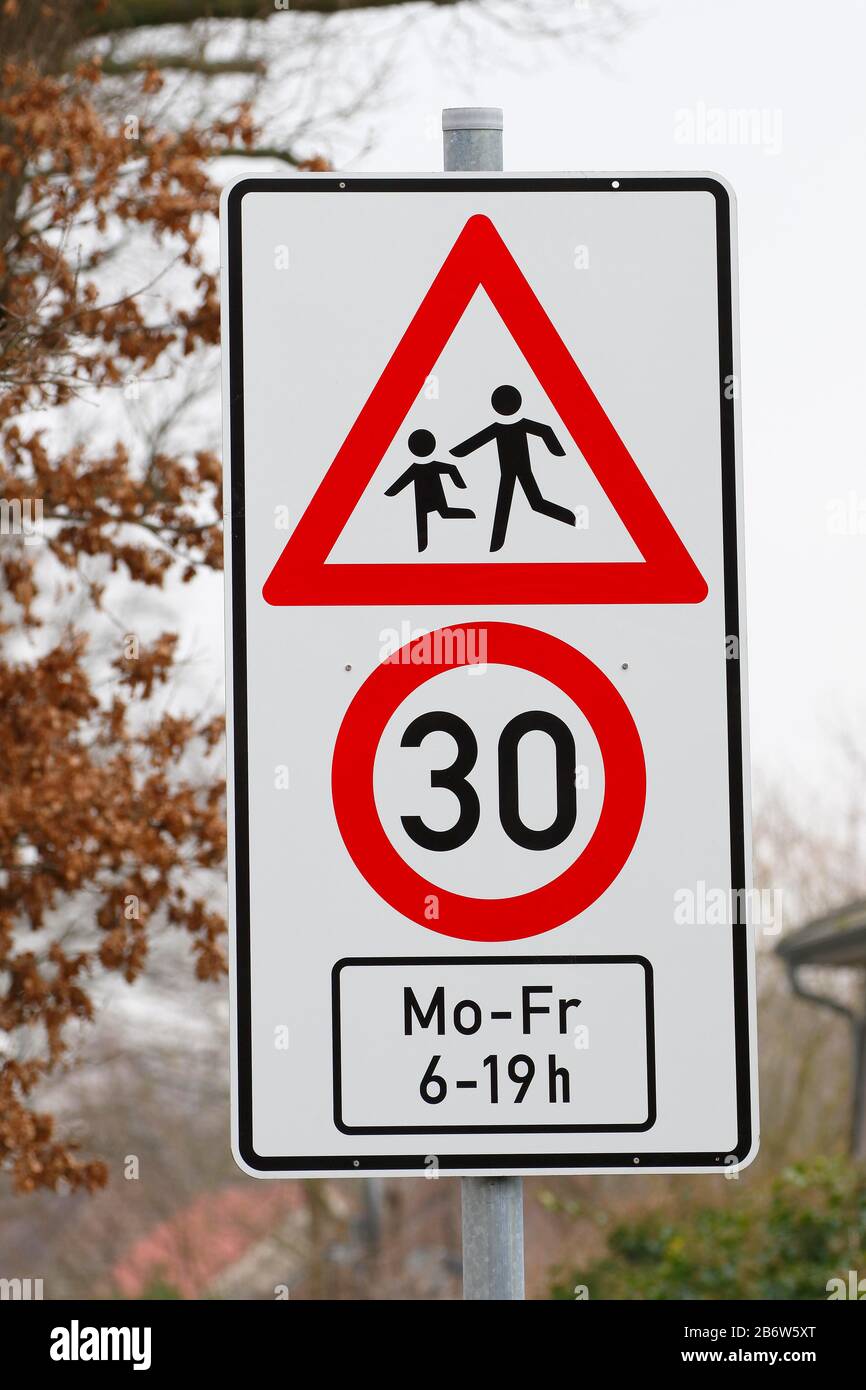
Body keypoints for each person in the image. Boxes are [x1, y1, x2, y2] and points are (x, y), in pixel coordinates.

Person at [450, 384, 576, 552]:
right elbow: (474, 442)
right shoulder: (500, 428)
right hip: (509, 473)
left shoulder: (509, 427)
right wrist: (457, 452)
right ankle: (496, 543)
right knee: (519, 503)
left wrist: (558, 451)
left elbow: (545, 431)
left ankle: (570, 518)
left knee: (530, 503)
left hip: (522, 471)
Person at [385, 429, 476, 552]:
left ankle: (469, 515)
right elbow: (452, 469)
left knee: (441, 514)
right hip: (425, 499)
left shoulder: (416, 469)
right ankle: (422, 547)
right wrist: (459, 484)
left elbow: (401, 482)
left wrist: (391, 492)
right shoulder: (422, 468)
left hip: (429, 498)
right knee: (435, 516)